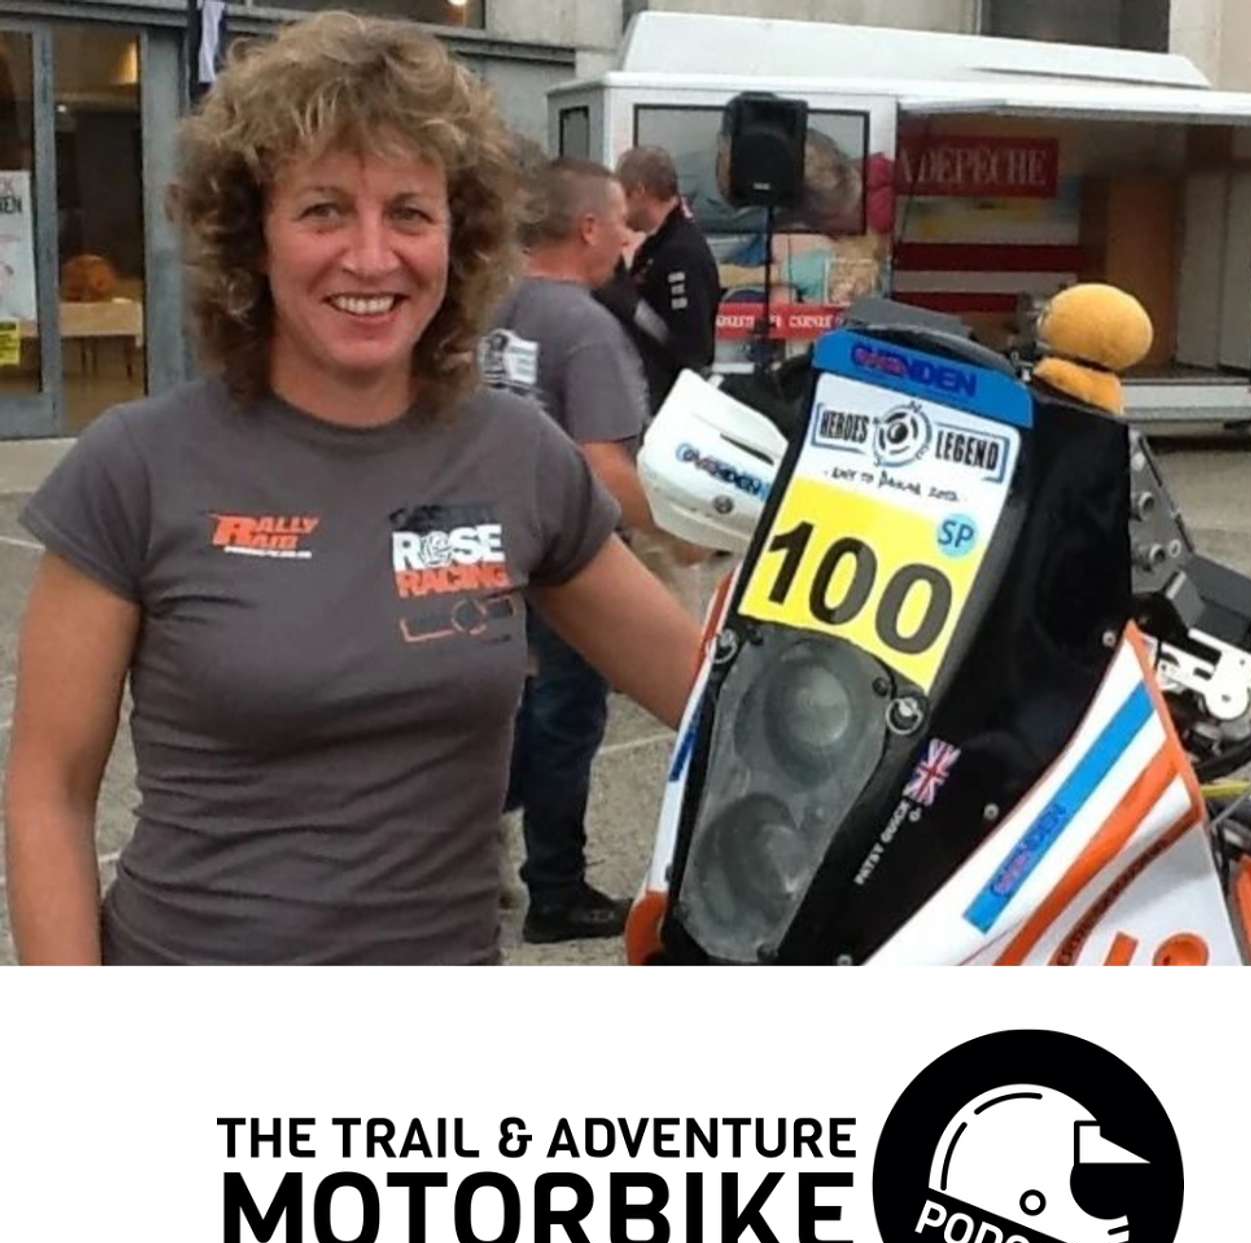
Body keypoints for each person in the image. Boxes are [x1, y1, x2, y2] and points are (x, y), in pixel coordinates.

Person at [2, 12, 701, 965]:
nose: (371, 258)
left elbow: (709, 700)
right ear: (253, 237)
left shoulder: (518, 456)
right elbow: (48, 792)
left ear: (459, 235)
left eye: (409, 213)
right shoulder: (137, 466)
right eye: (324, 210)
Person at [482, 157, 663, 944]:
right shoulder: (587, 328)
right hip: (565, 559)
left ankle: (456, 839)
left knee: (517, 711)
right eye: (621, 220)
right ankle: (556, 890)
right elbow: (603, 466)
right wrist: (686, 530)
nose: (629, 236)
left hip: (484, 542)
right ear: (589, 228)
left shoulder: (490, 307)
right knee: (567, 719)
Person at [596, 146, 721, 414]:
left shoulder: (680, 252)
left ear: (640, 192)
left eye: (622, 198)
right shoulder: (658, 245)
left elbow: (691, 347)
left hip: (671, 401)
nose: (620, 211)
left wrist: (631, 307)